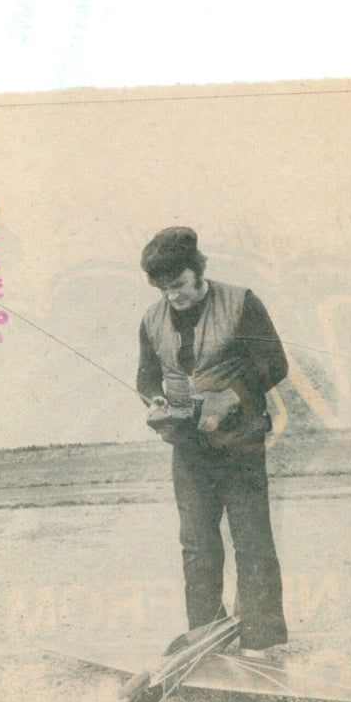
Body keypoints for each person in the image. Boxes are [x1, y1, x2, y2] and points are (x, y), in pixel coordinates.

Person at [136, 226, 288, 657]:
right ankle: (207, 636)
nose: (172, 297)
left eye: (179, 285)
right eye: (163, 289)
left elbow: (275, 362)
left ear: (197, 270)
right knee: (197, 543)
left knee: (251, 537)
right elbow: (146, 376)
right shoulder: (150, 319)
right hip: (189, 446)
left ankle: (261, 639)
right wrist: (155, 401)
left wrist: (231, 395)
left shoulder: (241, 301)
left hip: (240, 440)